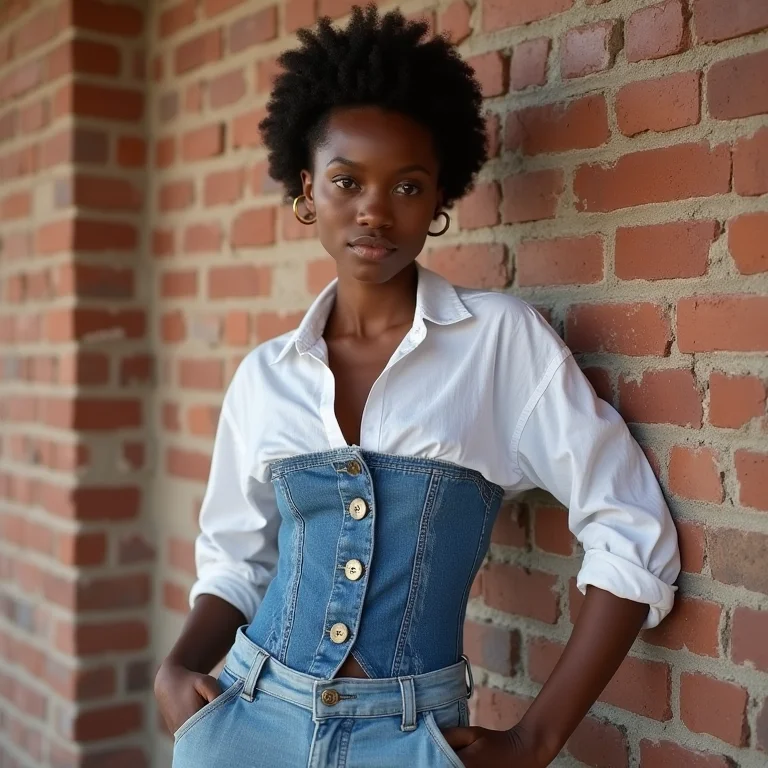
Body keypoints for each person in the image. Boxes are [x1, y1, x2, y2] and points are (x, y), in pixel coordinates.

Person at [154, 5, 680, 767]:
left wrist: (537, 738)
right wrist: (177, 669)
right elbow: (236, 557)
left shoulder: (498, 344)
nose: (374, 208)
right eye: (346, 180)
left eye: (407, 185)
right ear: (306, 191)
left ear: (439, 201)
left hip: (411, 740)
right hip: (243, 721)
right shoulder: (266, 376)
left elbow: (630, 522)